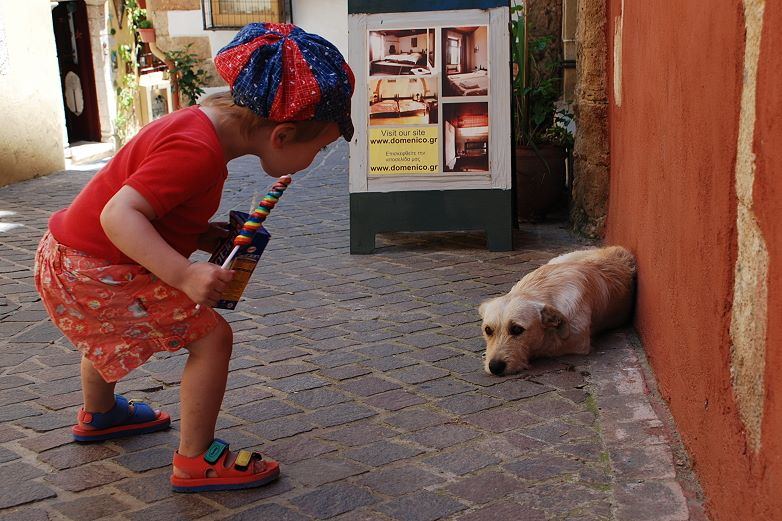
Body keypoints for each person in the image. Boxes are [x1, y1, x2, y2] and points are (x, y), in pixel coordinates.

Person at [33, 22, 354, 493]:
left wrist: (203, 235)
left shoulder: (197, 126)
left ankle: (100, 414)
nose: (318, 157)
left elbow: (157, 208)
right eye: (320, 147)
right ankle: (195, 460)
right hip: (96, 269)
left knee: (102, 330)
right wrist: (182, 273)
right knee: (212, 338)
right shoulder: (198, 150)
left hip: (69, 256)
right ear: (282, 136)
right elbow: (119, 215)